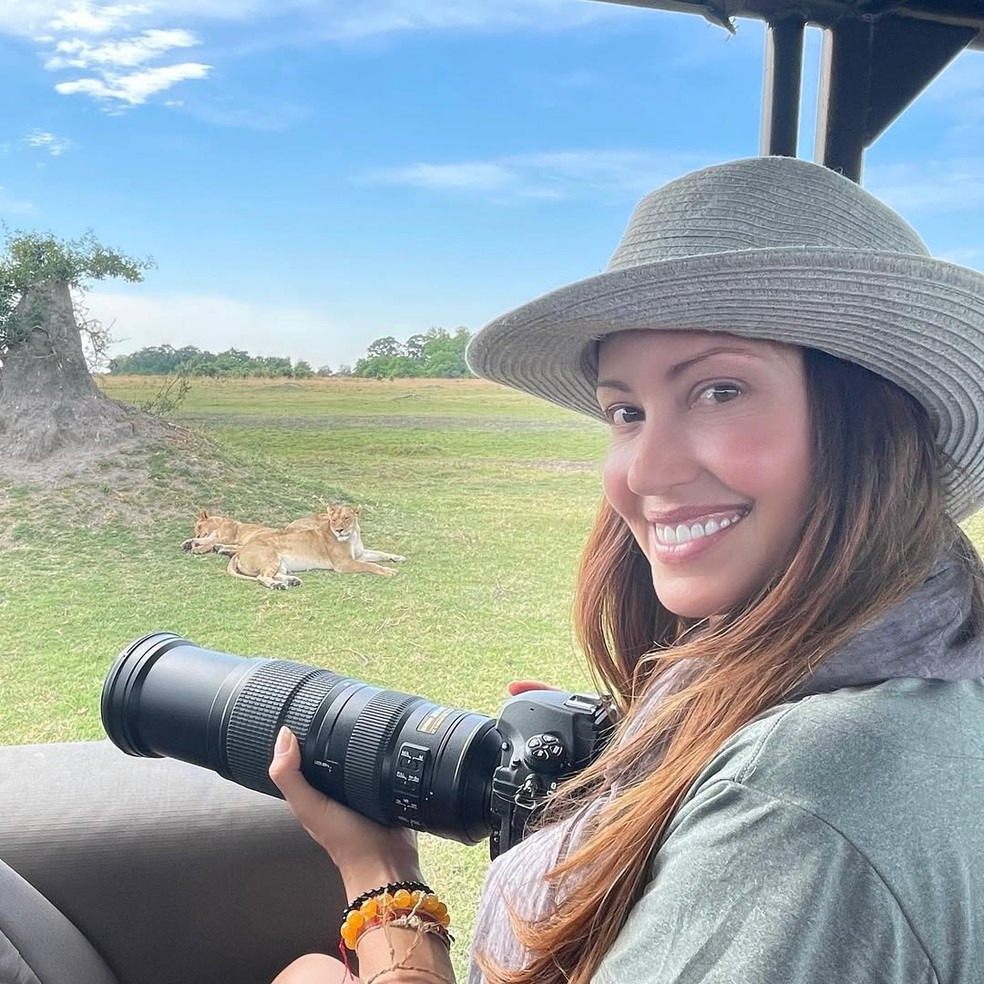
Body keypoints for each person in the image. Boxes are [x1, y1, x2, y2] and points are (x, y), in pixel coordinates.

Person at [268, 155, 984, 984]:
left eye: (719, 391)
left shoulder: (797, 801)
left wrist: (385, 892)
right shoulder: (936, 673)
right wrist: (631, 771)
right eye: (627, 412)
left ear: (871, 421)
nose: (645, 474)